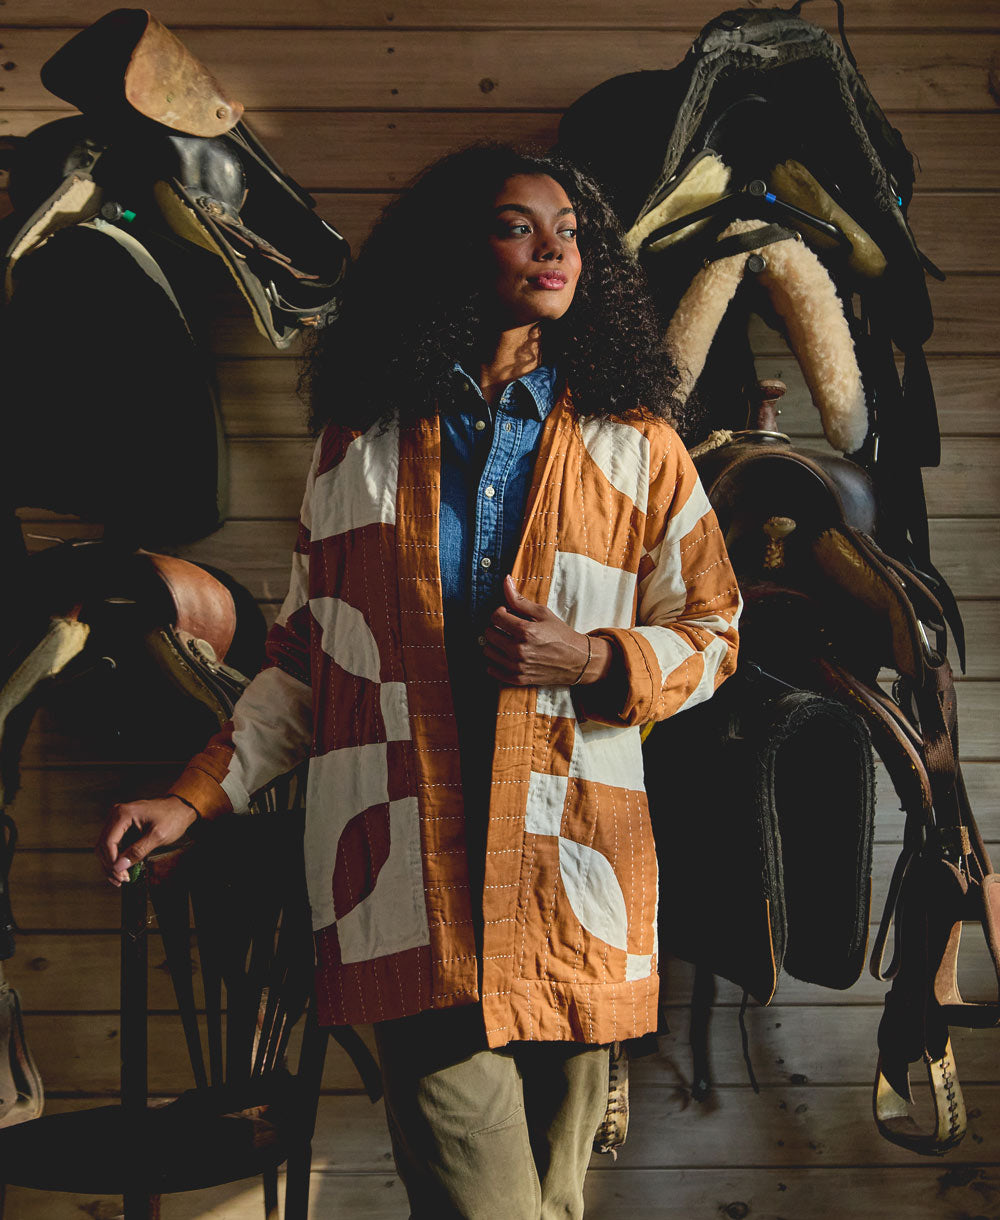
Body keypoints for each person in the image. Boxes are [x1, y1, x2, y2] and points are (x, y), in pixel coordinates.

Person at [96, 144, 741, 1220]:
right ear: (454, 248)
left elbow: (714, 631)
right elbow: (307, 656)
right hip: (407, 878)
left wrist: (595, 659)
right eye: (516, 224)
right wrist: (197, 790)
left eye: (570, 229)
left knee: (553, 1203)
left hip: (572, 881)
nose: (554, 248)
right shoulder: (361, 444)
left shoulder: (638, 444)